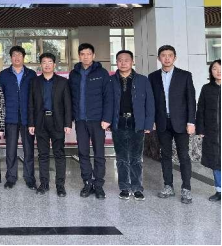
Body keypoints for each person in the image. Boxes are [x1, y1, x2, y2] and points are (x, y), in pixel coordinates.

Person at [149, 45, 197, 205]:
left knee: (184, 156)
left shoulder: (185, 75)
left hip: (181, 122)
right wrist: (151, 121)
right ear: (159, 58)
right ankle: (168, 186)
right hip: (162, 122)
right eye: (163, 55)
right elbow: (151, 101)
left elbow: (191, 100)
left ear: (175, 57)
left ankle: (186, 188)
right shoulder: (153, 77)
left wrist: (191, 121)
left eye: (170, 55)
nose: (167, 58)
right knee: (165, 155)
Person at [69, 43, 114, 200]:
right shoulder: (74, 74)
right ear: (79, 56)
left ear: (93, 55)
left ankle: (99, 185)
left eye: (88, 54)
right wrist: (70, 118)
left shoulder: (102, 73)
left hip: (98, 120)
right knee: (83, 153)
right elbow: (70, 97)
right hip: (80, 120)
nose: (86, 56)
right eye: (82, 54)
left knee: (99, 153)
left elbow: (108, 97)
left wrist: (107, 118)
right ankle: (87, 183)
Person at [111, 50, 155, 201]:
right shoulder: (111, 80)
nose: (123, 63)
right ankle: (124, 187)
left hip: (137, 122)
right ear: (116, 62)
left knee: (136, 158)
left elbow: (150, 103)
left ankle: (137, 187)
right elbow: (107, 102)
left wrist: (148, 123)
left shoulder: (143, 80)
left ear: (132, 62)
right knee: (121, 157)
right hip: (118, 122)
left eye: (126, 60)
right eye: (120, 60)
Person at [28, 53, 72, 197]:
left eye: (49, 62)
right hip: (40, 122)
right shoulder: (34, 82)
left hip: (57, 121)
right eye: (44, 62)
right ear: (40, 65)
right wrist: (31, 123)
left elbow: (67, 104)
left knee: (59, 154)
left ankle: (60, 186)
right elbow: (31, 104)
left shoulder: (63, 82)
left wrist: (67, 123)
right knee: (43, 154)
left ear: (54, 64)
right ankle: (44, 184)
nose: (47, 65)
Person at [0, 46, 38, 190]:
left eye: (19, 55)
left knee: (29, 150)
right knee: (10, 150)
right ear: (10, 57)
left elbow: (35, 97)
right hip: (10, 118)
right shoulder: (4, 75)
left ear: (23, 57)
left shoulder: (31, 74)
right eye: (14, 55)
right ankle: (11, 178)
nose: (17, 57)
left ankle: (29, 178)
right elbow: (0, 98)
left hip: (28, 118)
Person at [196, 59, 221, 202]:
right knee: (216, 163)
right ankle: (219, 191)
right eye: (215, 68)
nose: (219, 71)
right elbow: (201, 110)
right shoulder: (206, 88)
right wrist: (200, 129)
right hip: (212, 132)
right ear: (211, 71)